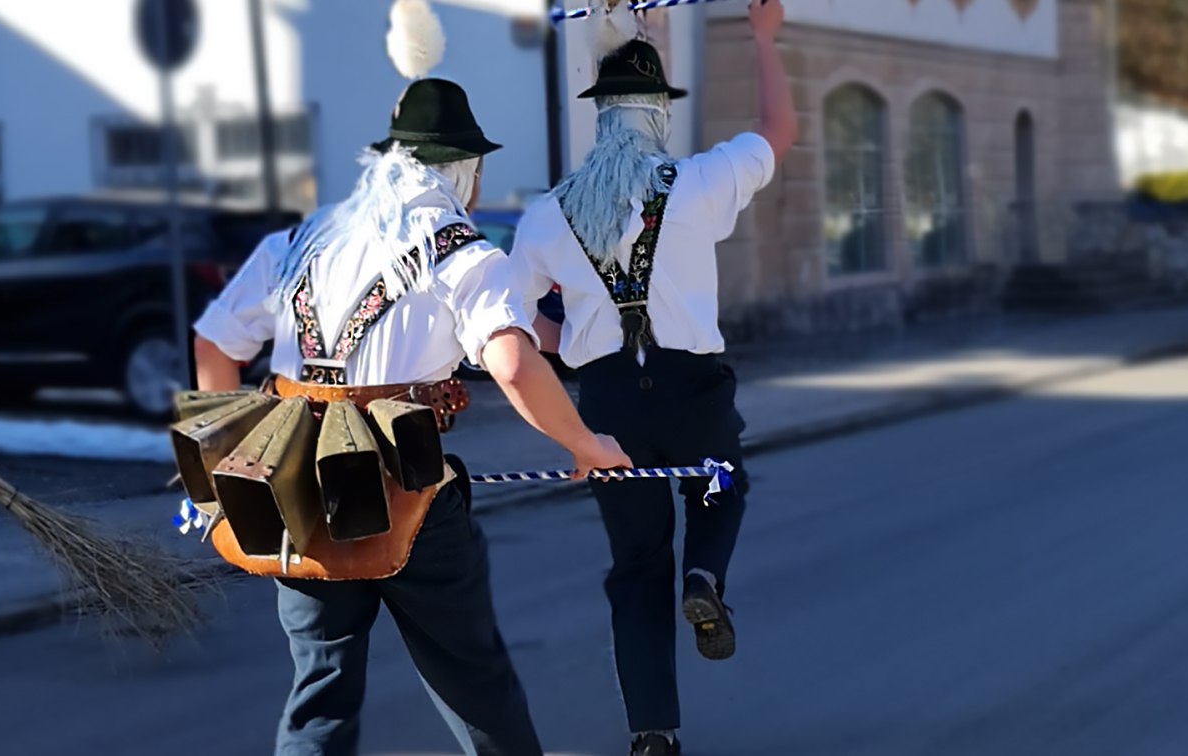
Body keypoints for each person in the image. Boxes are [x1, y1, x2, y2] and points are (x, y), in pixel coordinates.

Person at [187, 2, 630, 753]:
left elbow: (213, 342)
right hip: (406, 493)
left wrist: (232, 453)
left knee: (319, 696)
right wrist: (586, 444)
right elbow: (514, 360)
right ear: (464, 167)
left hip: (295, 490)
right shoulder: (461, 249)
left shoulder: (298, 240)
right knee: (472, 680)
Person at [504, 1, 794, 753]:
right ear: (659, 114)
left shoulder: (549, 214)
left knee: (635, 569)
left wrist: (567, 344)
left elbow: (513, 319)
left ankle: (652, 733)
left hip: (606, 407)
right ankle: (704, 576)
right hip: (693, 394)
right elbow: (779, 132)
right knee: (722, 481)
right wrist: (762, 39)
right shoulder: (695, 182)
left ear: (599, 116)